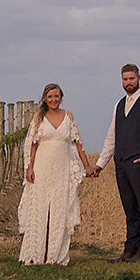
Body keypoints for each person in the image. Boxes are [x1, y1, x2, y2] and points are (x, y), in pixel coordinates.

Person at [90, 63, 140, 262]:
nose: (128, 82)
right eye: (125, 79)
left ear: (139, 78)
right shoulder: (119, 105)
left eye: (131, 78)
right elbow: (112, 136)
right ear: (121, 80)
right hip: (121, 164)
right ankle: (130, 250)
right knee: (130, 209)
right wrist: (100, 163)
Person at [19, 82, 94, 265]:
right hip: (41, 168)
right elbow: (32, 145)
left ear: (61, 97)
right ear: (45, 98)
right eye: (50, 96)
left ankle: (55, 256)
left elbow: (78, 143)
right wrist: (29, 167)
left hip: (62, 168)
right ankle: (35, 255)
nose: (54, 100)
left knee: (59, 210)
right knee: (39, 208)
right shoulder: (39, 117)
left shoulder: (69, 116)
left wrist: (88, 167)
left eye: (57, 96)